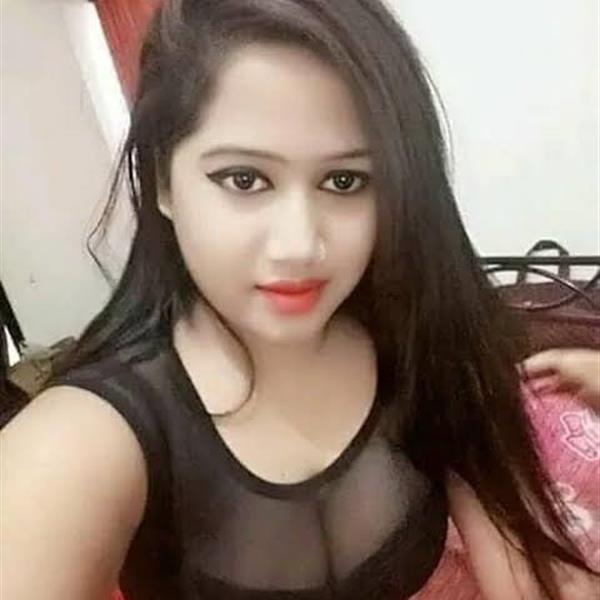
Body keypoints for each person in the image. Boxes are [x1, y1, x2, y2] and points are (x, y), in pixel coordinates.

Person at [1, 1, 598, 598]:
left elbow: (531, 570)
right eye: (244, 179)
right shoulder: (79, 446)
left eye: (344, 181)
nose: (299, 246)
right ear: (162, 183)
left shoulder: (418, 339)